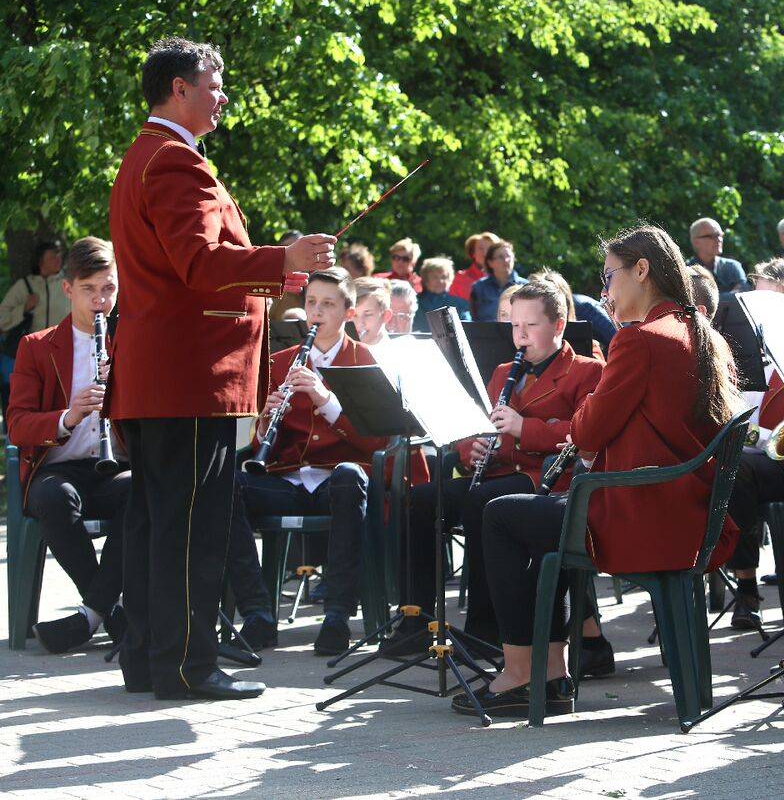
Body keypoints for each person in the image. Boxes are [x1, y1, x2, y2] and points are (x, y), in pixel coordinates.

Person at [107, 37, 335, 700]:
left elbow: (191, 268)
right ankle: (187, 666)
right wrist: (283, 258)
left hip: (162, 374)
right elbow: (201, 265)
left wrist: (276, 272)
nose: (223, 94)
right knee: (190, 527)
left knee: (156, 521)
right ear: (179, 88)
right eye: (215, 82)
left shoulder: (146, 156)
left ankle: (151, 659)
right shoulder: (177, 161)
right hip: (189, 375)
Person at [453, 225, 742, 718]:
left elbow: (586, 432)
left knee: (502, 516)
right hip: (684, 511)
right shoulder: (697, 330)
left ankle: (524, 673)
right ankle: (553, 670)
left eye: (609, 277)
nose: (604, 291)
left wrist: (584, 417)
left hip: (641, 516)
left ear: (642, 271)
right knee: (542, 517)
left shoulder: (640, 340)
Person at [387, 281, 608, 669]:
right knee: (421, 499)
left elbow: (582, 434)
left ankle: (485, 629)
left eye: (530, 325)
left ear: (558, 326)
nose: (519, 334)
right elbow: (477, 427)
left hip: (546, 478)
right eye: (514, 325)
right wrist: (469, 450)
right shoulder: (505, 371)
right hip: (499, 472)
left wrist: (525, 429)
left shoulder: (586, 371)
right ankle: (415, 619)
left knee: (481, 503)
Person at [232, 268, 425, 656]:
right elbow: (260, 446)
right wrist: (267, 420)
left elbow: (378, 440)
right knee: (227, 486)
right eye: (311, 303)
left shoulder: (367, 361)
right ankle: (257, 614)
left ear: (348, 313)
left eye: (328, 305)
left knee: (349, 476)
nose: (316, 313)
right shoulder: (281, 361)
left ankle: (337, 616)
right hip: (289, 479)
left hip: (342, 482)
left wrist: (326, 399)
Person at [7, 237, 129, 653]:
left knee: (144, 491)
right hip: (58, 468)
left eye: (109, 289)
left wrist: (125, 388)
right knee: (55, 498)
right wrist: (67, 417)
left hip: (114, 468)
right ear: (67, 289)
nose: (100, 301)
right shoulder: (37, 347)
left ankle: (90, 616)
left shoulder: (130, 345)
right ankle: (112, 613)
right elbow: (17, 425)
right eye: (89, 289)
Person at [723, 256, 784, 631]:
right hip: (750, 453)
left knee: (737, 468)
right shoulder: (741, 353)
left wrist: (753, 436)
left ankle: (746, 588)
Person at [1, 242, 71, 416]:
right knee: (27, 401)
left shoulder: (69, 284)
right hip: (32, 356)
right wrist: (24, 308)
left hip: (65, 353)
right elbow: (1, 319)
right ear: (40, 262)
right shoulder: (24, 286)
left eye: (59, 255)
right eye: (51, 256)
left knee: (60, 400)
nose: (58, 259)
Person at [685, 218, 748, 297]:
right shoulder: (686, 271)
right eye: (711, 236)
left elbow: (743, 293)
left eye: (720, 235)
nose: (719, 239)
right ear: (696, 242)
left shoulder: (733, 267)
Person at [470, 239, 527, 322]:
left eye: (509, 256)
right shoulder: (479, 287)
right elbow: (473, 319)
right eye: (501, 257)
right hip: (486, 334)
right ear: (490, 263)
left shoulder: (525, 287)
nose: (506, 260)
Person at [415, 256, 471, 328]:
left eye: (444, 277)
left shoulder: (459, 304)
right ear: (426, 279)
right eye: (435, 277)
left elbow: (467, 328)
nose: (440, 281)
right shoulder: (415, 302)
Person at [449, 232, 501, 302]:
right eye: (480, 248)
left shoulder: (507, 278)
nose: (485, 253)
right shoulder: (462, 278)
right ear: (473, 253)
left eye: (490, 248)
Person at [352, 276, 395, 351]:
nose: (359, 323)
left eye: (368, 314)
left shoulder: (399, 354)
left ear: (386, 316)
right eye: (354, 315)